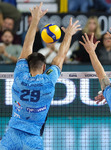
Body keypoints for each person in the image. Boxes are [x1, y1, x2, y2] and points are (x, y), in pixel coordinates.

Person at [0, 3, 81, 149]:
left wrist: (35, 20)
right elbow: (60, 56)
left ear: (27, 65)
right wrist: (68, 34)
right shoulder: (48, 81)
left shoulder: (20, 75)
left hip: (12, 134)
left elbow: (27, 46)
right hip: (33, 137)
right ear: (44, 67)